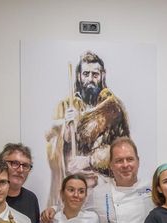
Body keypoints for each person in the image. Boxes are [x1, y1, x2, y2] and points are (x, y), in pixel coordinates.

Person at [46, 50, 130, 202]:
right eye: (86, 74)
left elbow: (123, 151)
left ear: (102, 75)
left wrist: (89, 160)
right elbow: (51, 144)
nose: (90, 79)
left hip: (104, 188)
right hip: (71, 188)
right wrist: (64, 128)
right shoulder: (65, 106)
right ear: (79, 76)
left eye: (95, 74)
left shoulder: (113, 108)